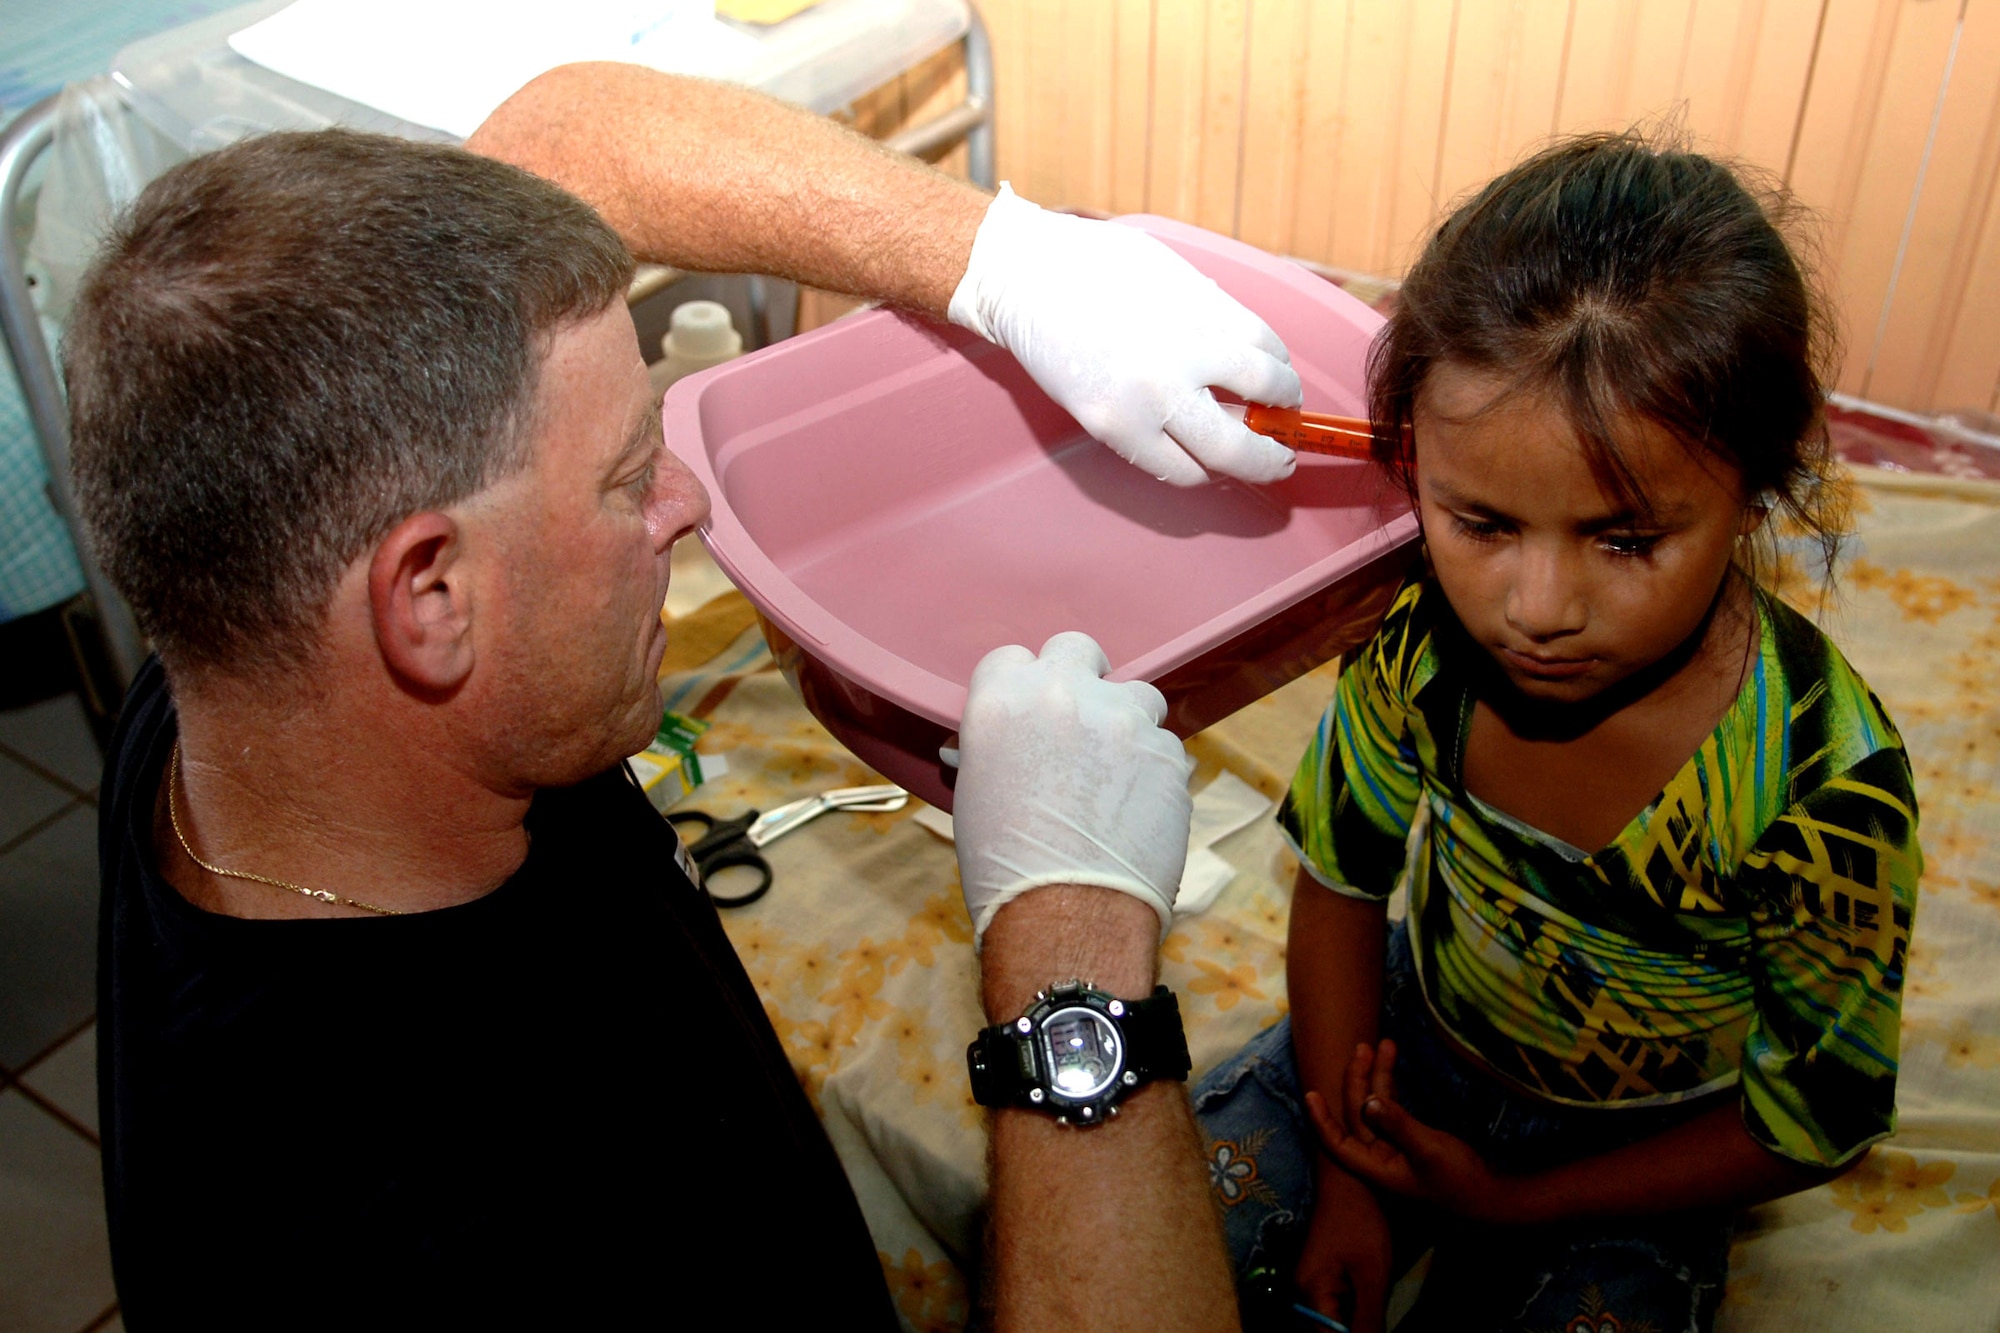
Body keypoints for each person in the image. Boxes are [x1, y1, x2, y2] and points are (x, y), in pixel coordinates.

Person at [66, 72, 1279, 1328]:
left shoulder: (240, 662)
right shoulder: (464, 1235)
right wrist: (1068, 968)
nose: (684, 504)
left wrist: (1013, 264)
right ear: (428, 598)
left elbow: (558, 138)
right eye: (625, 476)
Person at [1190, 132, 1922, 1333]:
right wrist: (1349, 1171)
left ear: (1757, 480)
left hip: (1641, 1153)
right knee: (1147, 1231)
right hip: (1390, 1048)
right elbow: (1335, 885)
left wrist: (1517, 1204)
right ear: (1413, 465)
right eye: (1477, 523)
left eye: (1624, 541)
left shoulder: (1822, 789)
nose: (1534, 611)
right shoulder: (1417, 644)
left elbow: (1810, 1117)